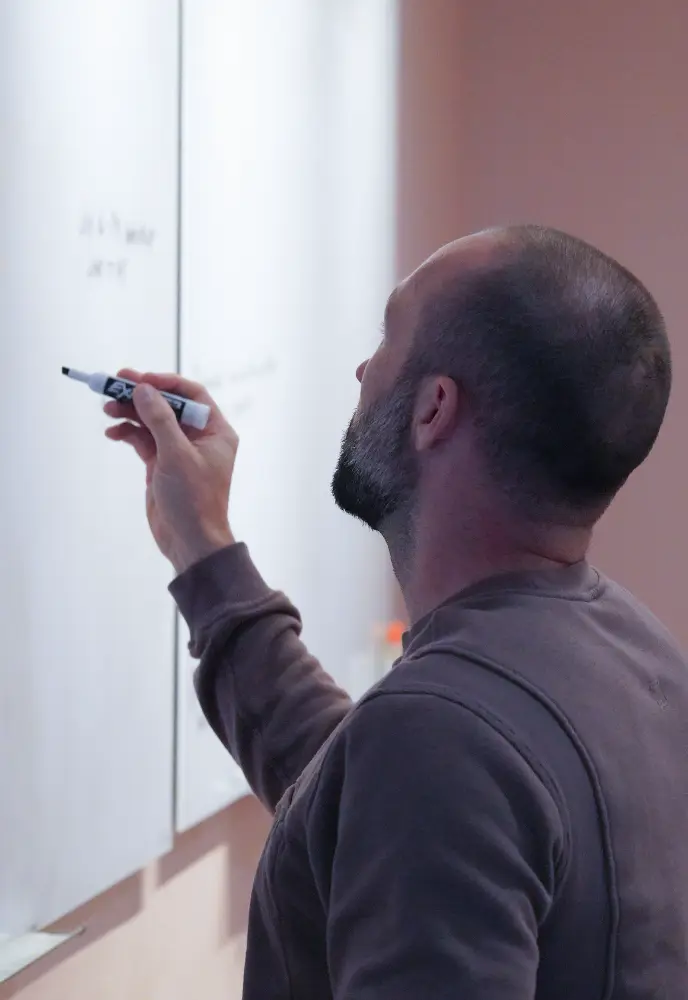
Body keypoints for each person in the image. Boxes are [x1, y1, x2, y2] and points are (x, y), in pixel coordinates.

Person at [105, 225, 687, 999]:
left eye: (386, 337)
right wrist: (202, 548)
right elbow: (360, 793)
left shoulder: (442, 735)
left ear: (433, 408)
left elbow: (419, 768)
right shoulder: (637, 655)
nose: (361, 368)